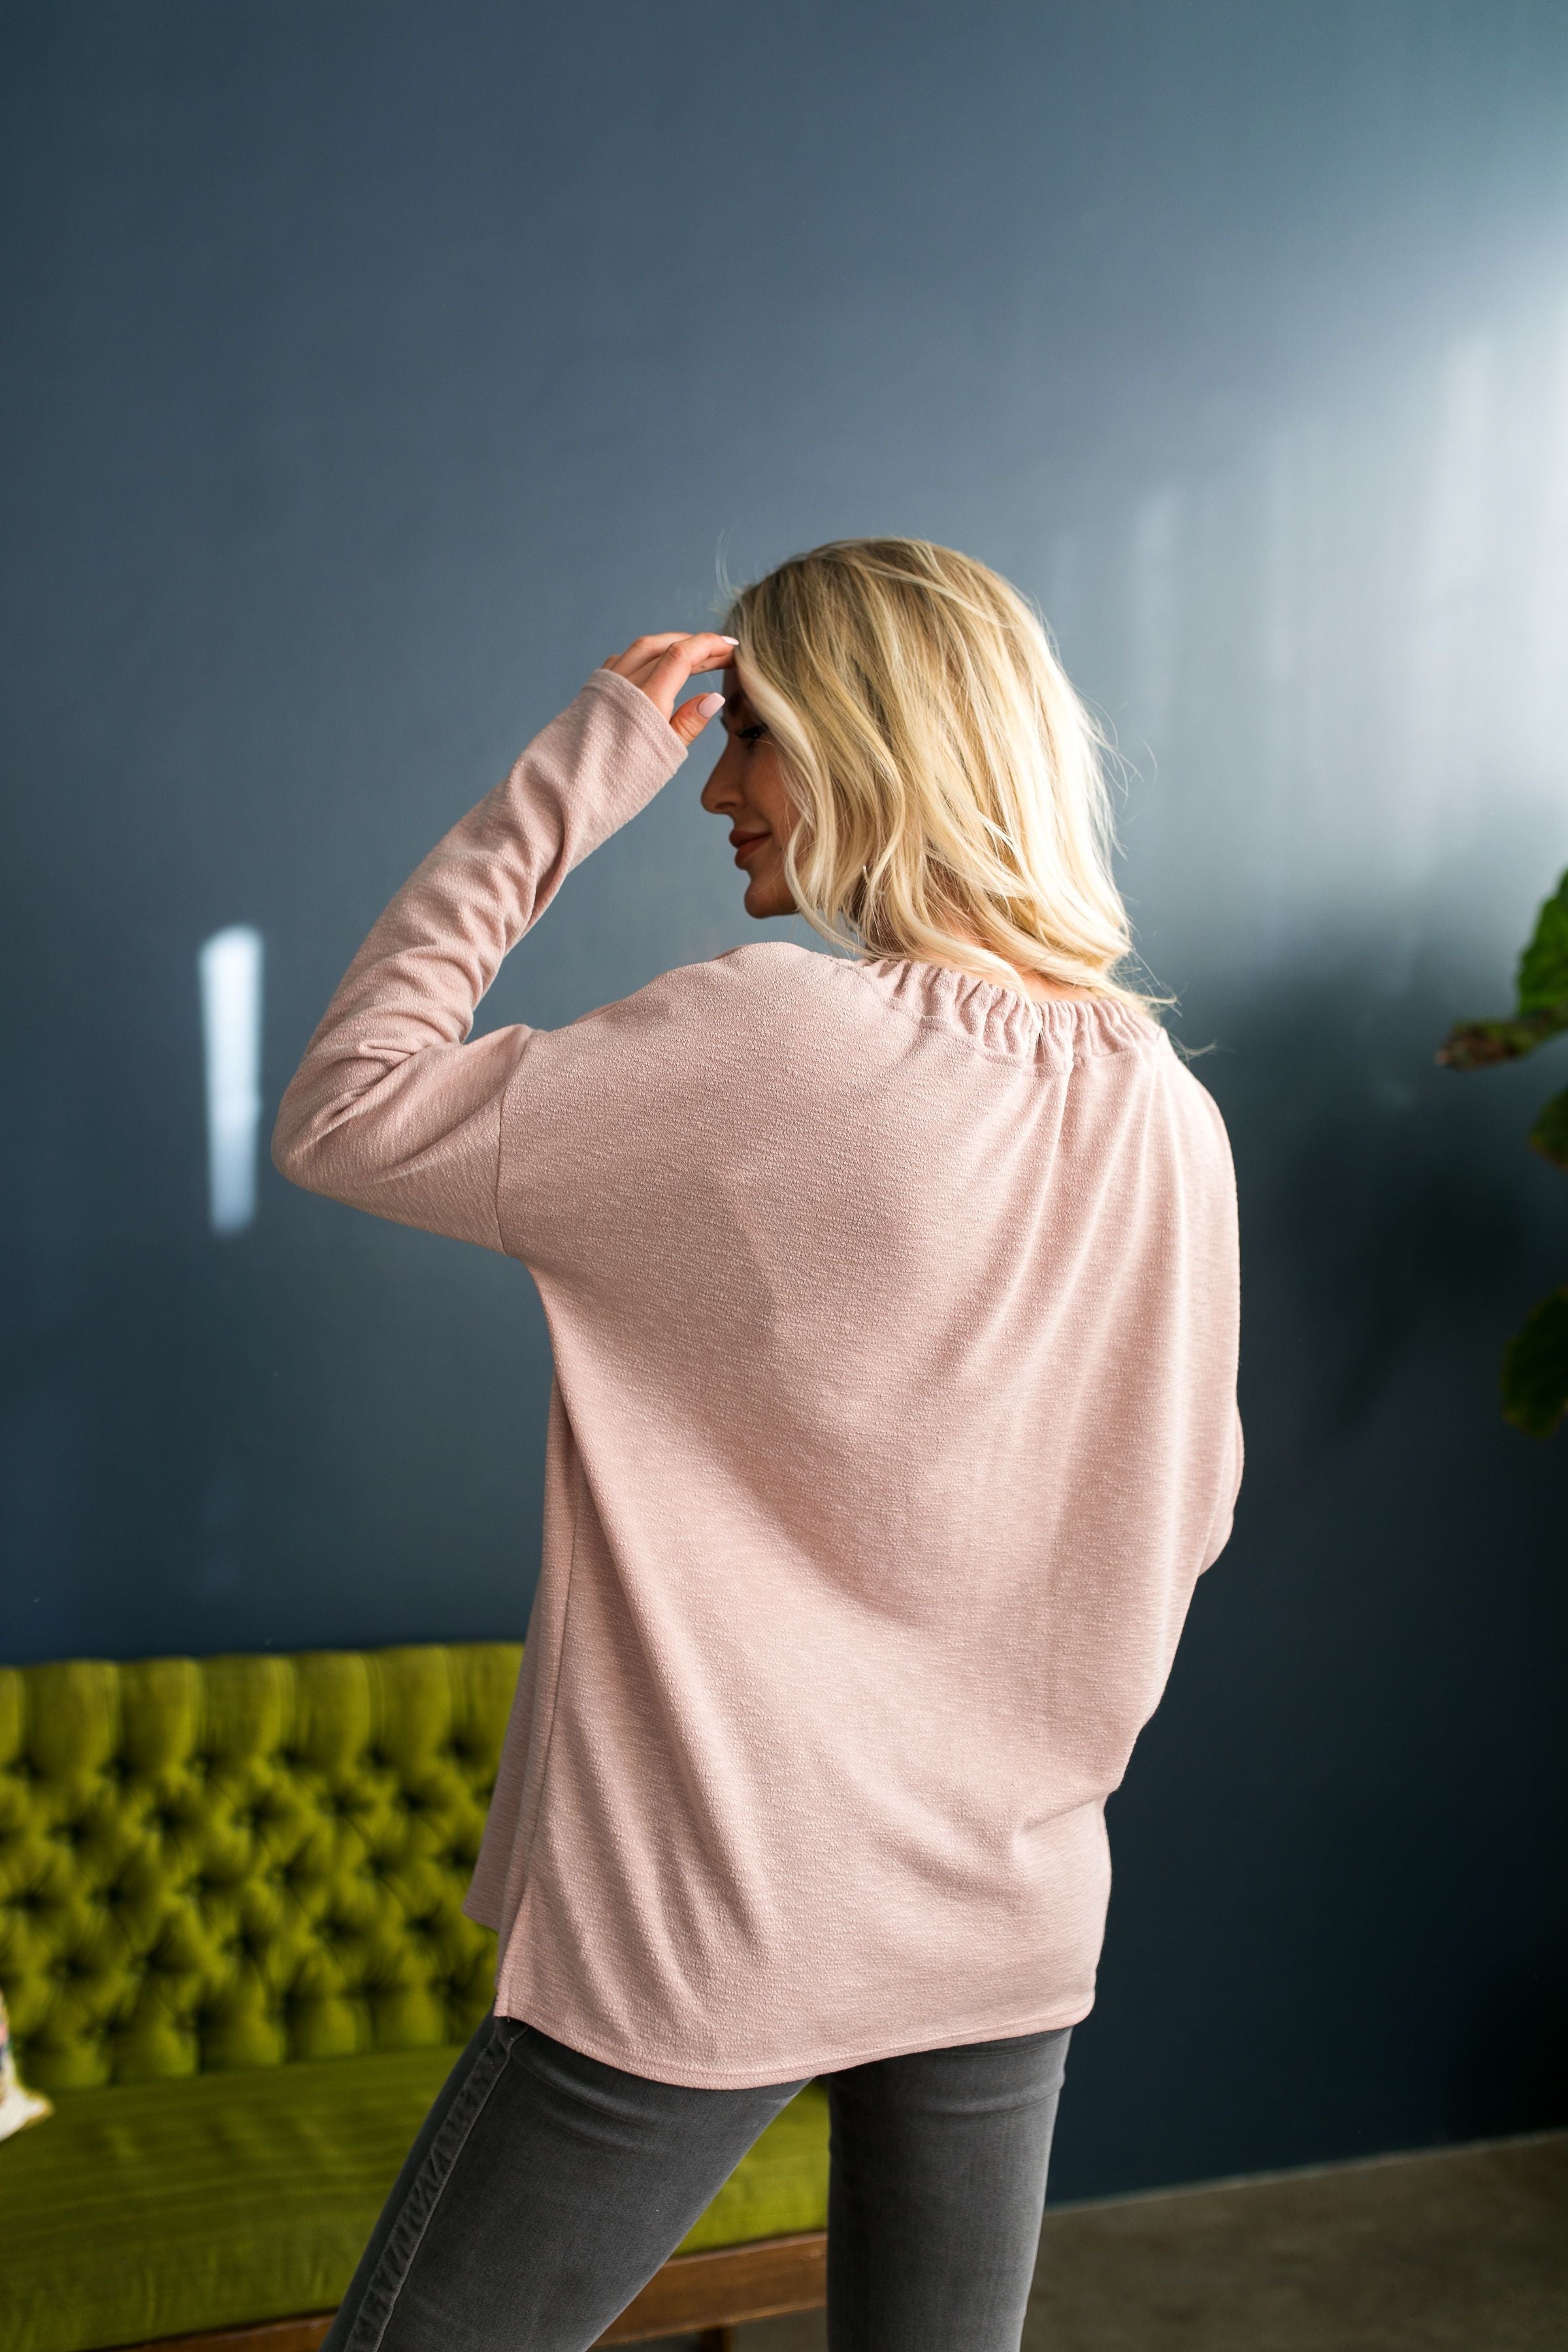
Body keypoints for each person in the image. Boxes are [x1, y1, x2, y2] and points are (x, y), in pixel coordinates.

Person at [273, 536, 1243, 2352]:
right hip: (1013, 1898)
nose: (718, 787)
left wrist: (574, 774)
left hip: (719, 1904)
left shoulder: (774, 1041)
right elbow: (1189, 1511)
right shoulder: (1167, 1110)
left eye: (759, 739)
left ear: (880, 744)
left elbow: (350, 1111)